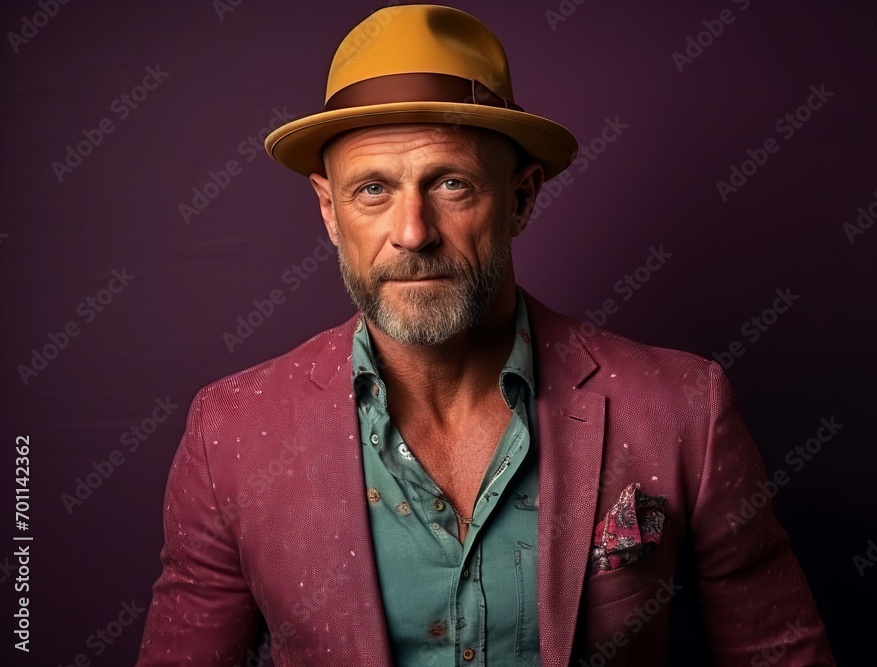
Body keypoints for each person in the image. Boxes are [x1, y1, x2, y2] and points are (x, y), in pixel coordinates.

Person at [137, 5, 835, 665]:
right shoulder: (229, 433)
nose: (412, 234)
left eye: (450, 184)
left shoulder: (684, 407)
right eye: (372, 190)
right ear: (329, 209)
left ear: (522, 197)